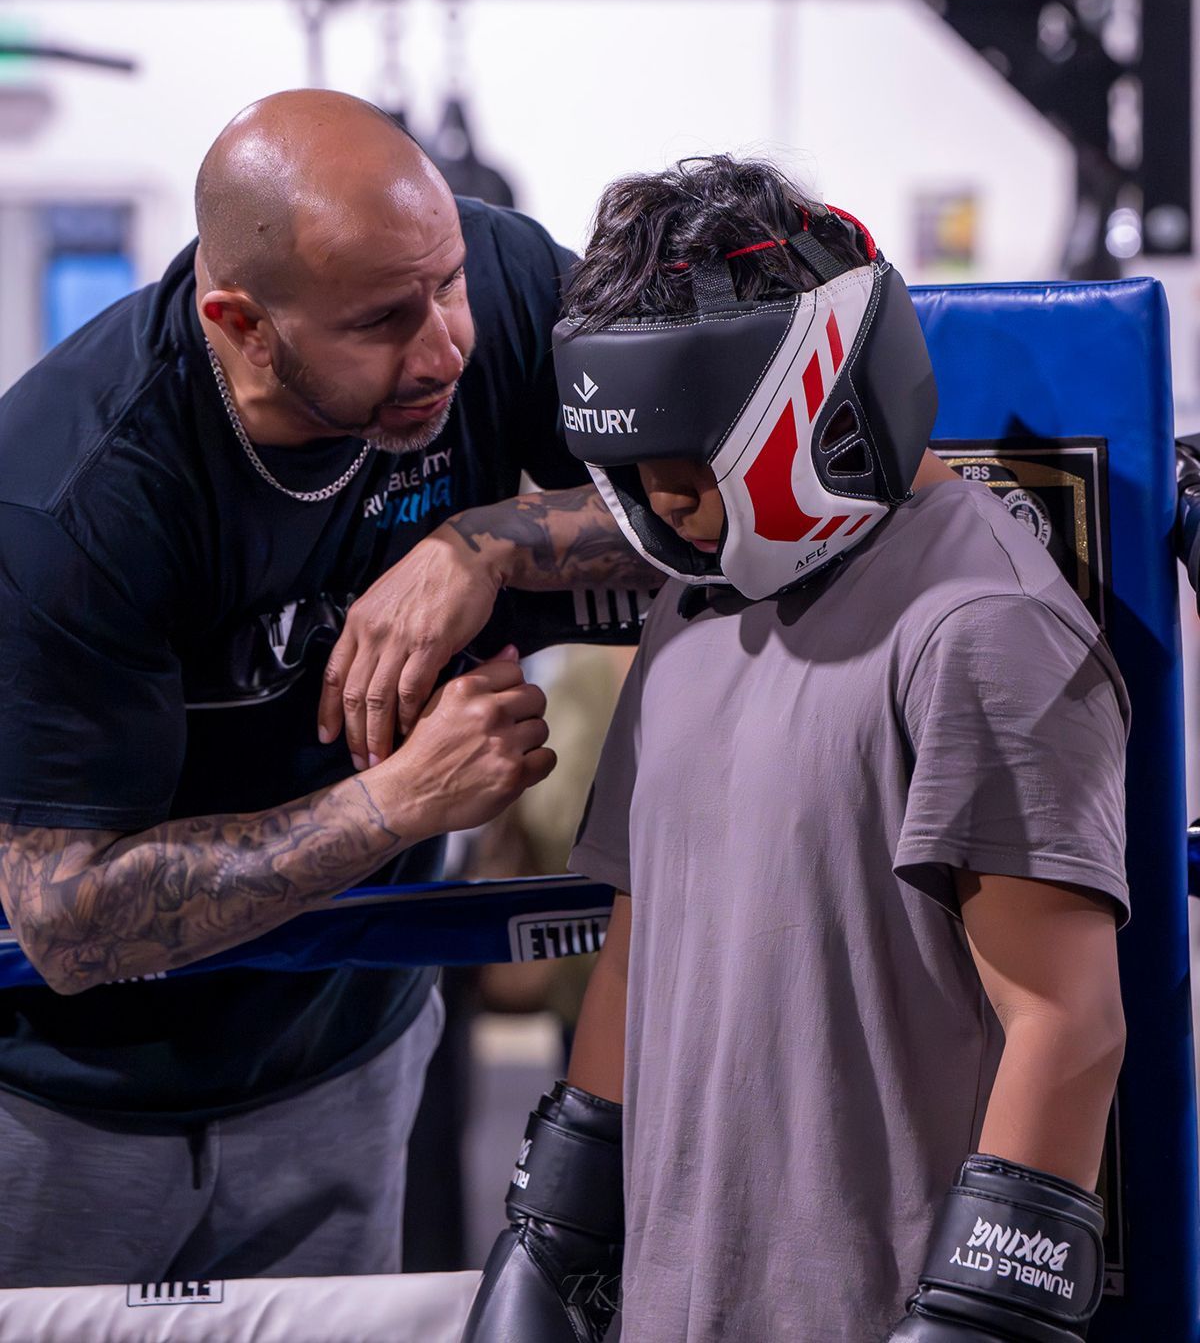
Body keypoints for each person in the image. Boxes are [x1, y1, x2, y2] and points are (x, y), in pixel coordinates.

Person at [464, 157, 1129, 1343]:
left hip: (863, 1312)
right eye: (640, 458)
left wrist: (981, 1320)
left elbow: (1067, 1023)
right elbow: (636, 948)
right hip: (675, 1303)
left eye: (692, 449)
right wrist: (557, 1235)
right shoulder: (696, 603)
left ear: (821, 393)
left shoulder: (980, 628)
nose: (662, 496)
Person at [0, 90, 654, 1288]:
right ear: (241, 323)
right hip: (70, 1107)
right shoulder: (75, 501)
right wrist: (399, 805)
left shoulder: (491, 278)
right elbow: (70, 922)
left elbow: (707, 504)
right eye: (383, 323)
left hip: (347, 1054)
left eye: (445, 288)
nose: (444, 345)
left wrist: (490, 542)